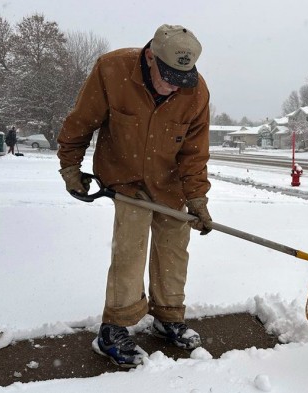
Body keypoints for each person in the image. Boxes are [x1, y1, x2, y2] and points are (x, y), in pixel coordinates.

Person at [56, 24, 212, 368]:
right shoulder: (112, 70)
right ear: (150, 57)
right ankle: (115, 328)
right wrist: (71, 168)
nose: (174, 85)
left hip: (170, 183)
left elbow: (194, 153)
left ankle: (168, 317)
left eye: (182, 78)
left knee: (174, 249)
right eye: (168, 75)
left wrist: (197, 199)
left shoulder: (196, 92)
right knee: (130, 248)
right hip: (125, 179)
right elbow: (80, 122)